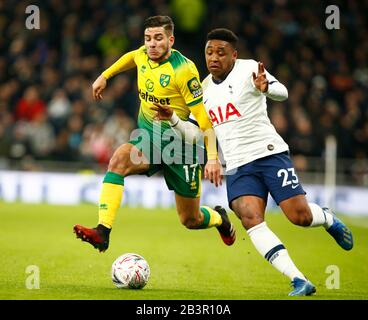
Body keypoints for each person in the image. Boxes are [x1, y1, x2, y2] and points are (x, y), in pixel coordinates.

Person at [151, 28, 354, 296]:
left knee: (299, 217)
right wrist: (173, 119)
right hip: (236, 164)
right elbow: (196, 134)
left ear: (233, 55)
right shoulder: (203, 90)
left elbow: (283, 92)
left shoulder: (249, 69)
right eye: (209, 52)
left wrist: (267, 87)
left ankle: (327, 218)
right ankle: (298, 279)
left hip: (269, 154)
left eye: (221, 53)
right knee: (250, 218)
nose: (214, 57)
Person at [73, 17, 236, 252]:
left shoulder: (183, 70)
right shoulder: (143, 54)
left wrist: (212, 157)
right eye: (148, 38)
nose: (151, 44)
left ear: (171, 40)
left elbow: (203, 118)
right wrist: (105, 76)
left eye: (158, 38)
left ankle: (220, 218)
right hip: (149, 140)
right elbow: (131, 57)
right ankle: (103, 231)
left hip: (181, 148)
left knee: (190, 219)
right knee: (119, 159)